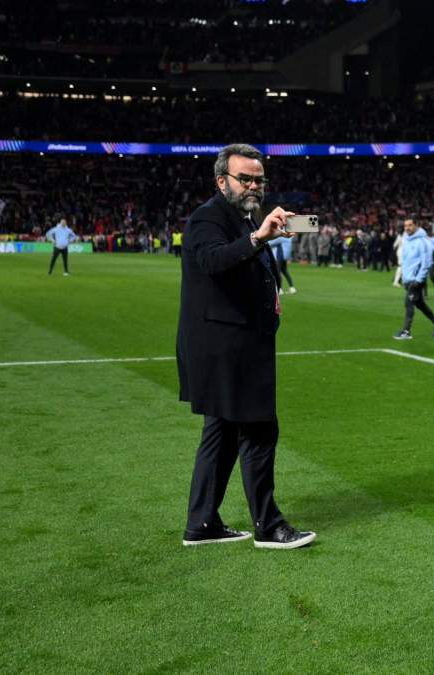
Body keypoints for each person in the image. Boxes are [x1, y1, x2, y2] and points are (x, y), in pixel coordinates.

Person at [176, 143, 315, 550]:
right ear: (222, 181)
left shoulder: (241, 218)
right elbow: (213, 261)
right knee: (259, 430)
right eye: (246, 178)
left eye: (259, 179)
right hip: (227, 350)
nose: (254, 186)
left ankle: (201, 523)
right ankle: (269, 526)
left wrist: (260, 235)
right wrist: (257, 237)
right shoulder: (207, 218)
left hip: (233, 346)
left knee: (220, 434)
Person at [394, 219, 434, 340]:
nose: (407, 228)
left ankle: (406, 332)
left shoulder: (423, 241)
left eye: (410, 225)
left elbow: (426, 263)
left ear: (416, 226)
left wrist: (418, 279)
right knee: (420, 304)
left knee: (408, 304)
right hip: (408, 279)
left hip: (416, 280)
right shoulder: (406, 240)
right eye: (405, 226)